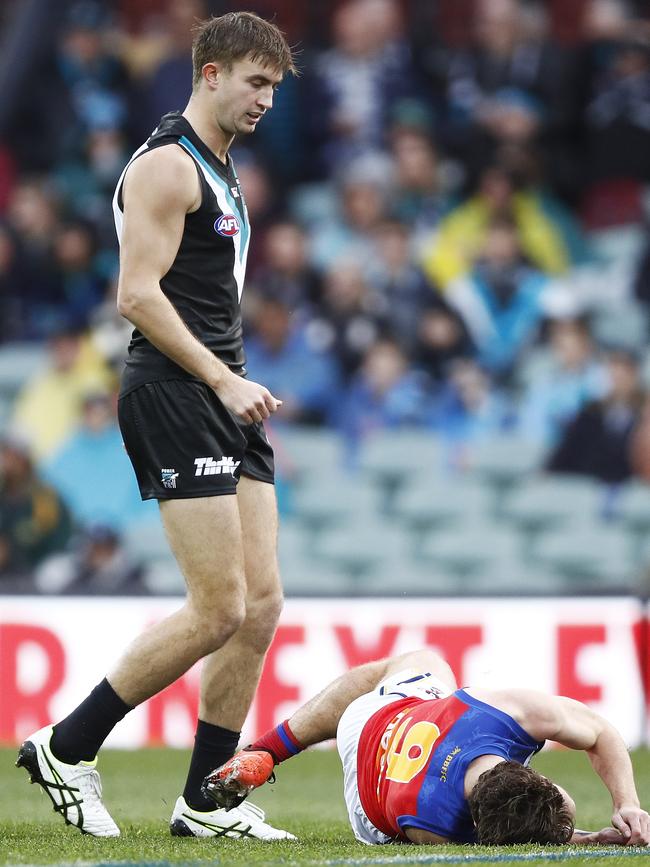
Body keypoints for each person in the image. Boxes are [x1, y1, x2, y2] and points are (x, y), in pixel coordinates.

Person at [16, 11, 297, 842]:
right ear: (209, 71)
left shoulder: (221, 165)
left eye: (275, 87)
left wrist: (231, 379)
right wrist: (221, 377)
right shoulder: (168, 168)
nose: (267, 100)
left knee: (262, 605)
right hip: (178, 389)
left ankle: (206, 799)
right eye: (255, 81)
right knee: (217, 607)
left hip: (223, 389)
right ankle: (68, 747)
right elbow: (136, 295)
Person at [203, 649, 650, 847]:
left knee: (422, 661)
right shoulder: (435, 823)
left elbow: (603, 734)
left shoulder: (505, 708)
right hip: (373, 793)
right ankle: (268, 749)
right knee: (423, 668)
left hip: (383, 726)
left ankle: (269, 749)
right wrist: (594, 832)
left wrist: (627, 802)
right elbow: (601, 732)